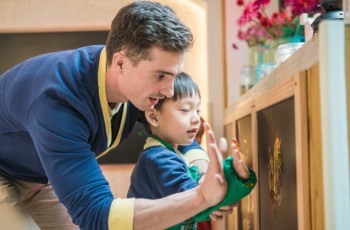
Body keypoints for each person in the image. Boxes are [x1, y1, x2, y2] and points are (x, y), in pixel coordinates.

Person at [0, 1, 250, 229]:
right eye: (160, 76)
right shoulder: (57, 103)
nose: (169, 90)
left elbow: (180, 129)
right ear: (120, 64)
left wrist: (206, 176)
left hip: (38, 175)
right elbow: (96, 215)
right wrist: (201, 197)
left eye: (174, 76)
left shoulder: (135, 79)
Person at [127, 72, 255, 229]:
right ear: (153, 117)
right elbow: (200, 202)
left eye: (198, 110)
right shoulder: (159, 159)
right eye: (185, 110)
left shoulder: (170, 153)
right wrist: (234, 175)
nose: (195, 118)